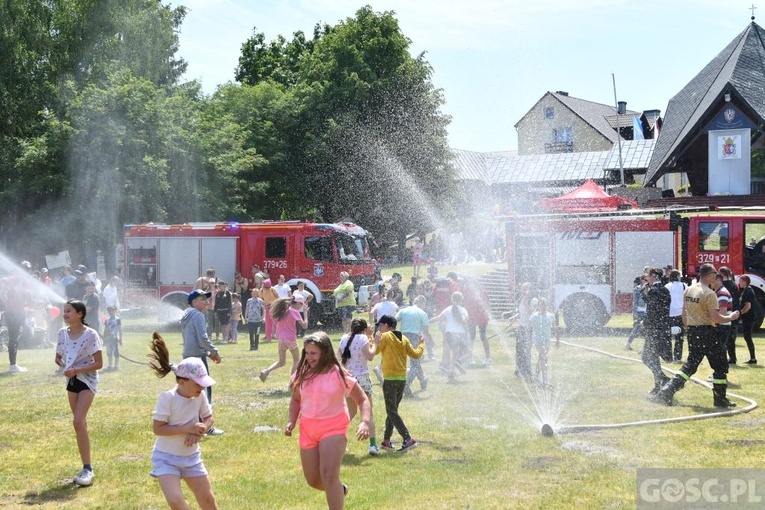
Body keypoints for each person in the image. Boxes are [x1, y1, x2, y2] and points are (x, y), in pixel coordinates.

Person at [285, 332, 371, 510]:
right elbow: (296, 399)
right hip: (308, 430)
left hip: (334, 429)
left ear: (324, 352)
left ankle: (335, 495)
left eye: (313, 353)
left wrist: (364, 422)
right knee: (313, 480)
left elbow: (362, 399)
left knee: (329, 475)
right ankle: (339, 490)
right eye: (306, 352)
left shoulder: (339, 374)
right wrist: (291, 421)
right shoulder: (301, 374)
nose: (309, 357)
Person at [147, 332, 218, 510]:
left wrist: (200, 431)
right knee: (176, 502)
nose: (202, 387)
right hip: (166, 459)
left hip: (191, 458)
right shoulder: (167, 398)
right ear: (181, 381)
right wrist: (189, 428)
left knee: (208, 500)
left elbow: (208, 417)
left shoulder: (200, 395)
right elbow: (158, 429)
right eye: (197, 383)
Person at [656, 264, 740, 407]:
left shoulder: (689, 289)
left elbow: (684, 312)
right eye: (714, 273)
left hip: (693, 332)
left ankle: (667, 390)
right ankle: (720, 399)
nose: (715, 276)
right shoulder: (709, 294)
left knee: (690, 365)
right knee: (720, 365)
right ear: (709, 275)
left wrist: (688, 327)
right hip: (707, 332)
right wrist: (731, 317)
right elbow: (715, 318)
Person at [54, 299, 103, 487]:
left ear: (80, 314)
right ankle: (86, 467)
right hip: (71, 381)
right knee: (79, 424)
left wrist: (77, 370)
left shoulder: (90, 334)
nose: (65, 314)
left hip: (87, 381)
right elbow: (58, 358)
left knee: (77, 420)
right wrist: (63, 366)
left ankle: (88, 469)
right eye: (64, 311)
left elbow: (99, 363)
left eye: (69, 311)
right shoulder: (62, 334)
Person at [373, 315, 423, 452]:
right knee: (392, 411)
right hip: (402, 380)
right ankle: (386, 440)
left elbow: (375, 351)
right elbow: (416, 354)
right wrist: (422, 344)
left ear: (387, 325)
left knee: (391, 411)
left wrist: (370, 338)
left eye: (380, 325)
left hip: (390, 380)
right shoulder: (404, 338)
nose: (379, 328)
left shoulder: (386, 336)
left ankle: (408, 439)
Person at [181, 289, 223, 436]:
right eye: (202, 298)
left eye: (207, 298)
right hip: (197, 360)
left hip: (187, 358)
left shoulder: (186, 314)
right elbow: (202, 339)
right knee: (204, 392)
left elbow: (192, 341)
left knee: (190, 393)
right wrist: (214, 351)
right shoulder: (198, 315)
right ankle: (207, 426)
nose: (206, 301)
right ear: (193, 302)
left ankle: (192, 423)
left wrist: (207, 353)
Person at [337, 318, 380, 455]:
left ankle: (338, 441)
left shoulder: (344, 338)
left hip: (348, 378)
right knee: (368, 412)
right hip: (361, 378)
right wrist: (376, 342)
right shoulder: (362, 338)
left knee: (350, 412)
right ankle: (373, 446)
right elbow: (370, 356)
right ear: (363, 328)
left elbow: (339, 356)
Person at [259, 296, 308, 382]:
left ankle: (266, 371)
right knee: (297, 360)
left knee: (281, 362)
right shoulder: (294, 312)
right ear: (298, 303)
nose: (301, 306)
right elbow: (304, 325)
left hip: (281, 339)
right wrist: (305, 313)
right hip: (290, 339)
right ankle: (292, 383)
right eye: (301, 304)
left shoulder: (281, 312)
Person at [642, 268, 672, 395]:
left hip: (653, 329)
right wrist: (645, 292)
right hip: (663, 328)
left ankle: (663, 378)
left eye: (648, 276)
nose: (647, 278)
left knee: (645, 357)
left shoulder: (654, 291)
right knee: (654, 358)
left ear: (654, 276)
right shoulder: (665, 289)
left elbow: (652, 310)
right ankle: (657, 386)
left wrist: (645, 322)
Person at [396, 295, 433, 396]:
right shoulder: (422, 313)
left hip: (402, 337)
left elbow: (394, 321)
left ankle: (423, 379)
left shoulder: (404, 310)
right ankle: (406, 385)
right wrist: (431, 341)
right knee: (415, 364)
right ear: (422, 303)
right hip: (414, 338)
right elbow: (426, 331)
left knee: (415, 362)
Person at [431, 292, 469, 383]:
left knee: (454, 354)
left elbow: (439, 318)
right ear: (461, 299)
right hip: (459, 334)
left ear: (452, 299)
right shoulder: (463, 310)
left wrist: (429, 321)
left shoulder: (448, 309)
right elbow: (465, 323)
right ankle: (459, 362)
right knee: (468, 353)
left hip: (449, 334)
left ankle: (450, 374)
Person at [528, 298, 559, 387]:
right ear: (538, 306)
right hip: (537, 340)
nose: (543, 306)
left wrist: (557, 340)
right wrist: (528, 339)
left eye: (544, 304)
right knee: (544, 357)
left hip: (546, 340)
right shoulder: (535, 316)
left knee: (542, 358)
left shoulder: (550, 316)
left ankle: (535, 376)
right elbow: (528, 328)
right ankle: (545, 380)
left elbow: (555, 328)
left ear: (546, 305)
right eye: (541, 304)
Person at [463, 279, 492, 365]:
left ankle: (487, 358)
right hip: (472, 316)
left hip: (480, 316)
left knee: (481, 336)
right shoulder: (468, 291)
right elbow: (465, 303)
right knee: (472, 336)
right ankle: (471, 358)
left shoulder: (481, 292)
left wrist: (487, 314)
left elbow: (487, 304)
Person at [719, 267, 741, 364]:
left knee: (725, 338)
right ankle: (732, 357)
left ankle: (727, 358)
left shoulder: (724, 285)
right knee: (732, 337)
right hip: (735, 311)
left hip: (728, 312)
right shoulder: (734, 284)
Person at [665, 269, 687, 362]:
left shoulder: (667, 286)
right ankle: (678, 357)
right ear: (678, 276)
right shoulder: (683, 285)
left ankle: (668, 356)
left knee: (668, 336)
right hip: (680, 313)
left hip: (669, 313)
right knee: (679, 337)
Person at [737, 275, 759, 364]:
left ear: (745, 282)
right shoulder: (746, 290)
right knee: (747, 337)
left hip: (749, 317)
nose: (739, 283)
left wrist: (740, 313)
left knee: (748, 337)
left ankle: (753, 358)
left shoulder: (748, 291)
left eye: (740, 281)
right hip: (748, 317)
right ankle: (752, 358)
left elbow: (748, 306)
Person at [515, 282, 534, 380]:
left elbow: (531, 313)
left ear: (529, 290)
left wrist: (526, 302)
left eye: (524, 289)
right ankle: (519, 369)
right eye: (522, 289)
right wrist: (513, 317)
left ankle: (527, 370)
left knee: (526, 349)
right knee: (519, 349)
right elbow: (521, 313)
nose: (522, 291)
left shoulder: (533, 300)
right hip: (521, 327)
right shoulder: (522, 300)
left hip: (528, 328)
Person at [625, 275, 647, 350]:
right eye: (645, 279)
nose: (647, 281)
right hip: (640, 311)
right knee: (637, 328)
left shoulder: (649, 288)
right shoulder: (637, 289)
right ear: (642, 280)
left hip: (646, 311)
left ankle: (644, 348)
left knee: (647, 330)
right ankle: (628, 344)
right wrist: (635, 313)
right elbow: (635, 301)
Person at [103, 305, 123, 371]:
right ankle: (110, 365)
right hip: (108, 339)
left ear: (115, 310)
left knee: (116, 352)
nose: (111, 312)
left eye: (112, 310)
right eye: (109, 310)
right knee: (109, 352)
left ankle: (116, 366)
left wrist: (120, 339)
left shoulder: (117, 319)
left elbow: (120, 330)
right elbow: (105, 330)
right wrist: (104, 339)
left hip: (115, 338)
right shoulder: (107, 320)